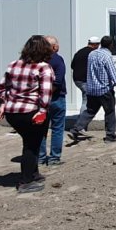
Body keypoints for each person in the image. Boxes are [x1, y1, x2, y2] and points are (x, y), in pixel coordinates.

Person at [0, 35, 55, 194]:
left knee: (29, 142)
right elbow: (46, 92)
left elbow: (2, 87)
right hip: (32, 112)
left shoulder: (13, 65)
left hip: (13, 113)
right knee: (31, 146)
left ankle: (34, 173)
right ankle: (26, 181)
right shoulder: (44, 68)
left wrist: (2, 104)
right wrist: (43, 111)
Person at [71, 35, 116, 142]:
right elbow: (112, 72)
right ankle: (110, 136)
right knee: (110, 111)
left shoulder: (92, 54)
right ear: (111, 45)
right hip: (104, 89)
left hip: (92, 89)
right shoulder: (107, 56)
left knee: (90, 111)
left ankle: (76, 128)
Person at [39, 35, 67, 166]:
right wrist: (49, 93)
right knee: (57, 128)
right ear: (54, 47)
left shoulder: (36, 60)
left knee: (40, 130)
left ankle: (40, 157)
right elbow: (58, 81)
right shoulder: (57, 59)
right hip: (56, 98)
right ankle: (54, 157)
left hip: (39, 101)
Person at [67, 36, 100, 142]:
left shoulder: (79, 52)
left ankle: (80, 126)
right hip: (85, 80)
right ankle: (80, 126)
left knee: (86, 99)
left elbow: (72, 66)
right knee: (87, 101)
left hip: (77, 80)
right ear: (95, 45)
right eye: (98, 45)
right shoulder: (92, 54)